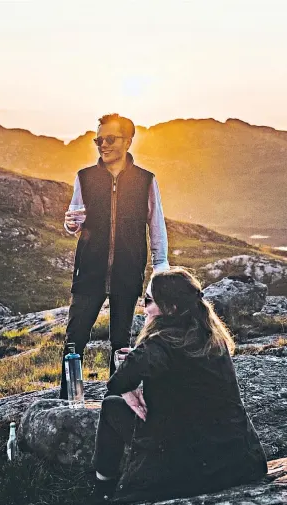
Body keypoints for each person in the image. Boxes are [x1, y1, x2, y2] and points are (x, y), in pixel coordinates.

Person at [89, 267, 268, 505]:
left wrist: (128, 386)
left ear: (171, 308)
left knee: (112, 406)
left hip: (187, 472)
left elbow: (120, 380)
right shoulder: (212, 338)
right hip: (241, 462)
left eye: (149, 301)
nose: (145, 308)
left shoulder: (160, 343)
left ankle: (102, 491)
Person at [59, 113, 170, 399]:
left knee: (121, 343)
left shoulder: (146, 180)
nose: (102, 145)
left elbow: (155, 223)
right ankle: (69, 399)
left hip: (128, 272)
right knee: (75, 340)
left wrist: (160, 265)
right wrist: (71, 225)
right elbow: (74, 218)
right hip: (89, 272)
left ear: (128, 141)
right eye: (98, 139)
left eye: (109, 139)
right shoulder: (85, 177)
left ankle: (117, 399)